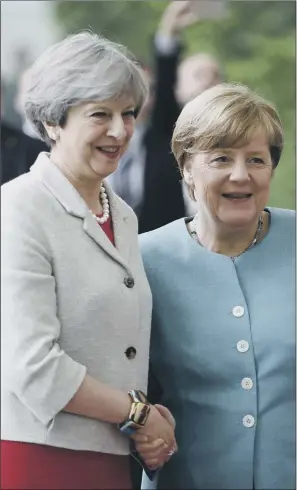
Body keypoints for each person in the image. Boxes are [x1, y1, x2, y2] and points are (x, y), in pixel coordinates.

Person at [1, 31, 177, 490]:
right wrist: (137, 412)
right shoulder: (18, 208)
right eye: (100, 114)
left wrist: (153, 419)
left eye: (128, 113)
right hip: (39, 460)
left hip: (111, 462)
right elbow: (33, 367)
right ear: (55, 121)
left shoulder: (122, 215)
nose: (119, 130)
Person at [140, 83, 295, 489]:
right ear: (187, 167)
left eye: (256, 159)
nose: (240, 175)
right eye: (221, 158)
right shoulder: (142, 260)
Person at [108, 0, 223, 230]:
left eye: (146, 88)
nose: (137, 97)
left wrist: (169, 31)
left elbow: (166, 89)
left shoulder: (165, 135)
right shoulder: (93, 144)